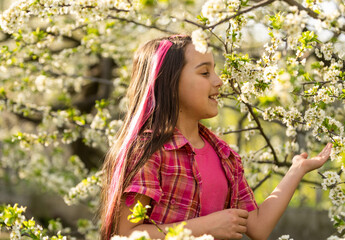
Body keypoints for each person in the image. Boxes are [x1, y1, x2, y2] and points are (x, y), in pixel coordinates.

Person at [100, 35, 332, 240]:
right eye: (204, 72)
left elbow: (258, 228)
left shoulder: (224, 155)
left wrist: (297, 169)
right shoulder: (148, 152)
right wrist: (205, 227)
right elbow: (127, 235)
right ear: (169, 82)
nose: (218, 81)